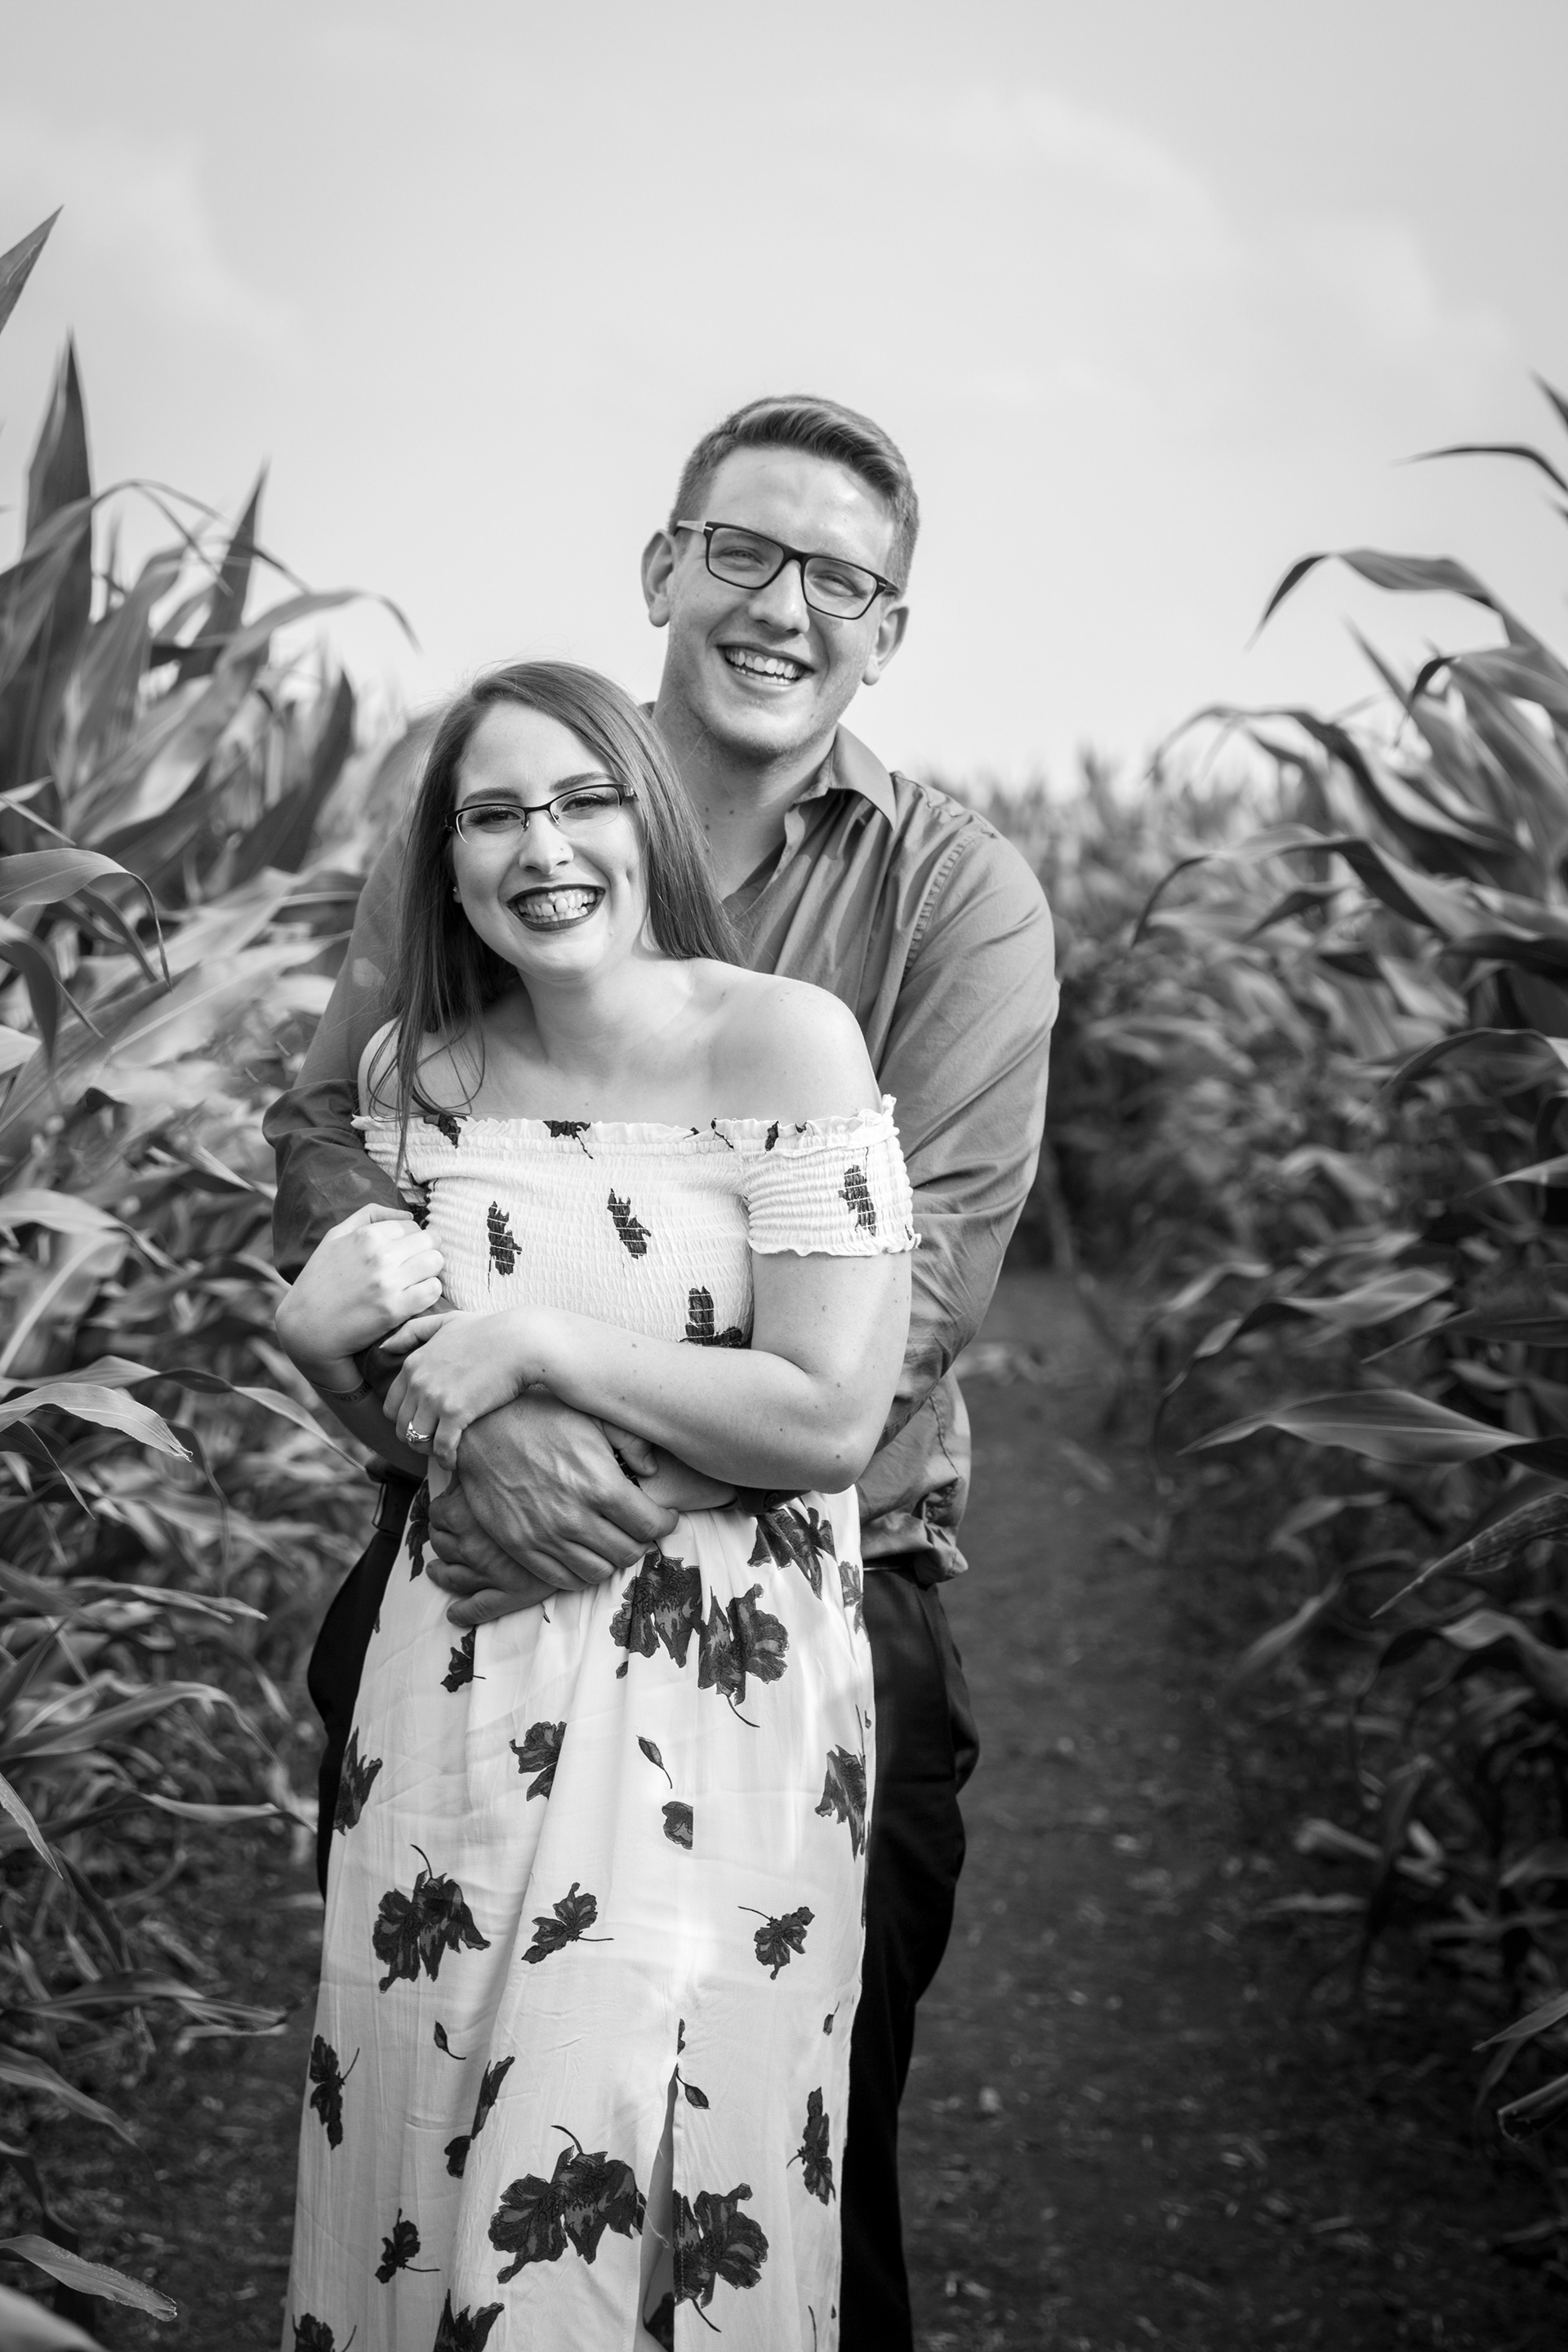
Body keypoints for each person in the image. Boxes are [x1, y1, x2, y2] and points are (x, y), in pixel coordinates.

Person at [266, 394, 1058, 2350]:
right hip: (470, 1565)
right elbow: (338, 1130)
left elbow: (908, 1303)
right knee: (433, 2125)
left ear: (886, 630)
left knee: (764, 2182)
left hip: (802, 1588)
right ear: (664, 570)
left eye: (840, 580)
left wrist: (562, 1434)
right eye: (743, 553)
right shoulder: (481, 814)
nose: (783, 606)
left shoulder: (952, 898)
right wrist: (471, 1438)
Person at [274, 661, 915, 2349]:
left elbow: (831, 1411)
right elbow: (421, 1428)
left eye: (581, 802)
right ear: (445, 861)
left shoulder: (785, 1038)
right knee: (431, 2121)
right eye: (493, 815)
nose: (542, 848)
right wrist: (320, 1355)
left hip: (725, 1678)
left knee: (657, 2134)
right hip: (464, 1658)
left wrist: (546, 1340)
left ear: (649, 821)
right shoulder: (416, 1074)